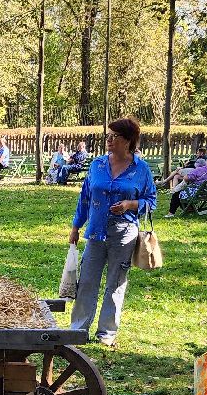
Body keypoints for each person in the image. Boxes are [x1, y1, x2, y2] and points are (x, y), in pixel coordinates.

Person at [60, 116, 157, 347]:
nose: (109, 140)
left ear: (128, 141)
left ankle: (106, 333)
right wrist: (75, 227)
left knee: (115, 283)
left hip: (124, 234)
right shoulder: (98, 165)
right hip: (95, 233)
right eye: (108, 136)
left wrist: (129, 204)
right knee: (87, 282)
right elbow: (84, 198)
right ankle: (78, 330)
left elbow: (151, 200)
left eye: (115, 137)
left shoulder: (141, 169)